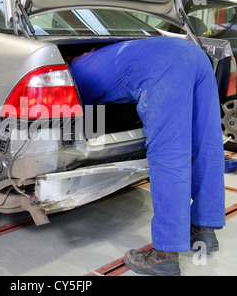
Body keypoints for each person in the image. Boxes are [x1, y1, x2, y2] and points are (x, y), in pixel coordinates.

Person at [70, 36, 226, 276]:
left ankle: (164, 256)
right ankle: (203, 230)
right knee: (207, 143)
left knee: (169, 154)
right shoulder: (113, 51)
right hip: (195, 55)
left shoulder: (76, 72)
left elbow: (88, 122)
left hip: (165, 64)